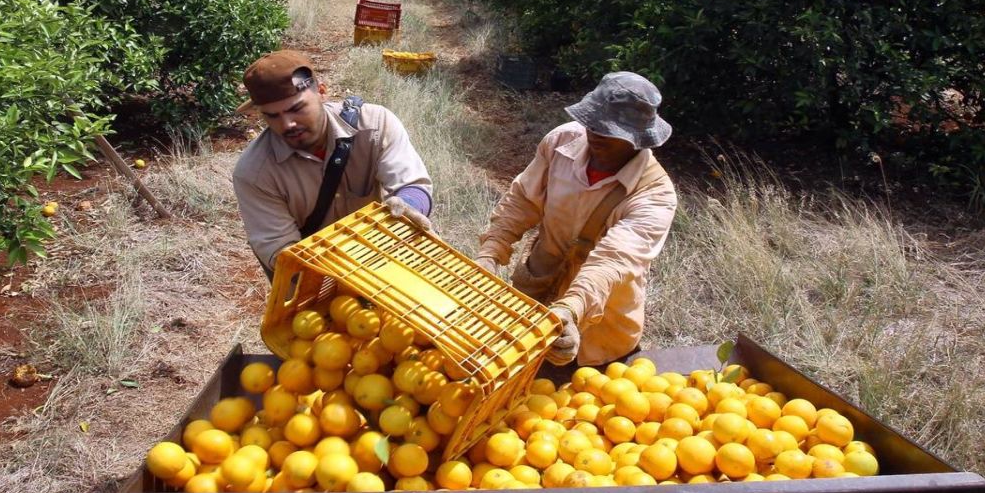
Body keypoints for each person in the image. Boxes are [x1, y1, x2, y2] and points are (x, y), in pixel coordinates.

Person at [474, 71, 678, 366]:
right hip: (532, 301)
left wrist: (571, 310)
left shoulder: (654, 196)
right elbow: (522, 200)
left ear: (638, 139)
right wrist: (491, 253)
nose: (594, 134)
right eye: (592, 123)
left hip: (598, 334)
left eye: (608, 131)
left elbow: (612, 262)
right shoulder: (562, 142)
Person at [232, 50, 433, 278]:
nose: (287, 124)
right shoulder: (254, 173)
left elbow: (414, 186)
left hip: (385, 263)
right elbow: (281, 252)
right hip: (314, 281)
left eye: (296, 109)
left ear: (322, 92)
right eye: (272, 116)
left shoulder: (375, 126)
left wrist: (408, 205)